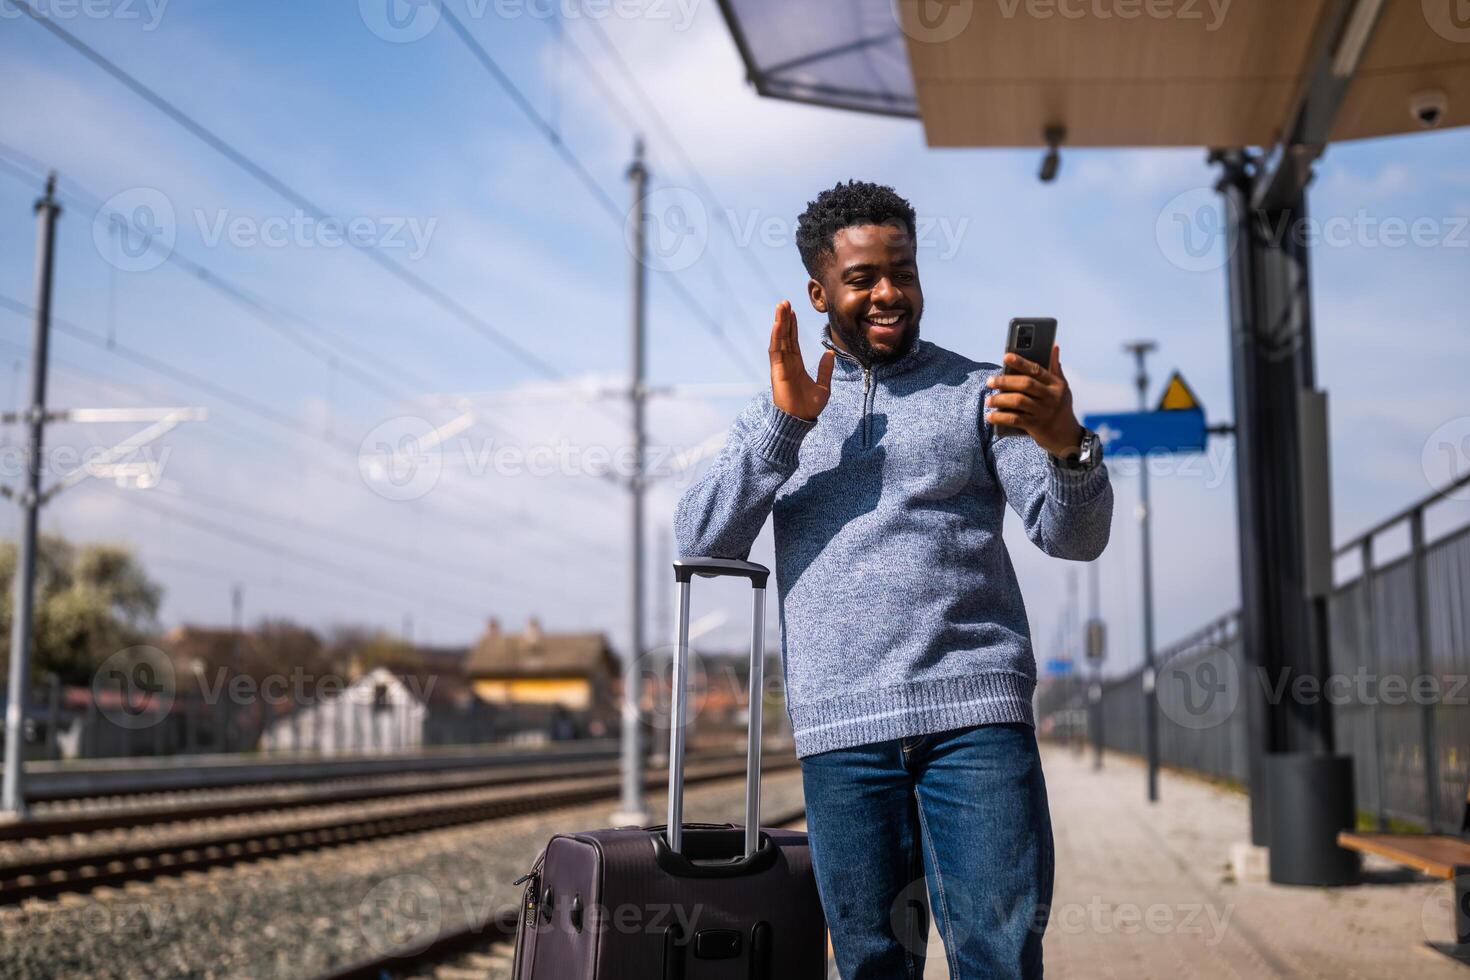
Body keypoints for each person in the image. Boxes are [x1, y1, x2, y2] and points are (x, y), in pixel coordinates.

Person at [673, 180, 1113, 978]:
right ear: (819, 292)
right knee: (871, 962)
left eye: (902, 272)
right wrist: (786, 428)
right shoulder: (781, 410)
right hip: (843, 729)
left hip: (974, 717)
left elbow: (1072, 536)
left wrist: (1068, 445)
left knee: (999, 957)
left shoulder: (981, 393)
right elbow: (701, 540)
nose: (888, 293)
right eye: (863, 277)